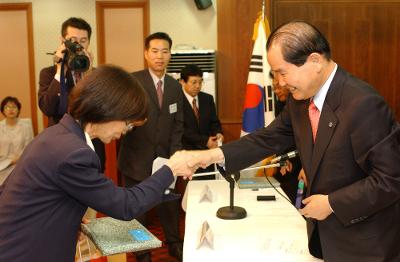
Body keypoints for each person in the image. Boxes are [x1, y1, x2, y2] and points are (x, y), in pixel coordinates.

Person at [185, 21, 400, 261]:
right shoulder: (300, 101)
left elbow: (390, 180)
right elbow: (267, 138)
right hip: (326, 239)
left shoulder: (363, 104)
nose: (280, 82)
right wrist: (210, 156)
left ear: (315, 61)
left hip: (365, 244)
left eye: (282, 72)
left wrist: (332, 203)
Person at [0, 65, 194, 262]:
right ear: (108, 110)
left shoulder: (57, 135)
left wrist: (69, 219)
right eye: (127, 123)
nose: (126, 131)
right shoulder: (73, 154)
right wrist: (171, 169)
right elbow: (126, 205)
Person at [118, 32, 184, 262]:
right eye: (154, 51)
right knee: (138, 211)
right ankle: (141, 251)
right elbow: (122, 118)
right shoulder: (133, 81)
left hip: (166, 159)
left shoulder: (176, 87)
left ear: (170, 55)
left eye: (165, 51)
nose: (160, 56)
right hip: (136, 159)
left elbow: (178, 124)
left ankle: (174, 243)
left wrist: (174, 157)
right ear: (146, 54)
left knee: (169, 206)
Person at [38, 17, 105, 171]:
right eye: (73, 40)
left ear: (89, 42)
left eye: (83, 41)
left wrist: (88, 74)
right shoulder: (49, 74)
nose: (78, 46)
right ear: (62, 41)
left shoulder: (97, 74)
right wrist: (59, 71)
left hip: (92, 147)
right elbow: (48, 108)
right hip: (60, 148)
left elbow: (101, 110)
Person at [180, 64, 223, 179]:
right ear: (182, 82)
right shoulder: (176, 100)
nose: (198, 86)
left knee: (209, 187)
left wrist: (218, 133)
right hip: (187, 155)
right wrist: (205, 141)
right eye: (194, 82)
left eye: (200, 82)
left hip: (207, 155)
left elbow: (214, 122)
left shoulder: (207, 99)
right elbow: (181, 130)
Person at [269, 72, 302, 204]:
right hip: (285, 157)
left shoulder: (301, 103)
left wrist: (289, 157)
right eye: (274, 88)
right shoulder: (279, 105)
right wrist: (283, 156)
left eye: (278, 87)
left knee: (298, 197)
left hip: (301, 159)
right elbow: (282, 135)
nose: (276, 91)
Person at [0, 96, 33, 184]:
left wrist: (18, 160)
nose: (11, 109)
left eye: (14, 107)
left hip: (21, 164)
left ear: (18, 110)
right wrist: (9, 162)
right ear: (3, 110)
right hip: (2, 166)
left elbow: (29, 147)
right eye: (7, 107)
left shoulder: (26, 126)